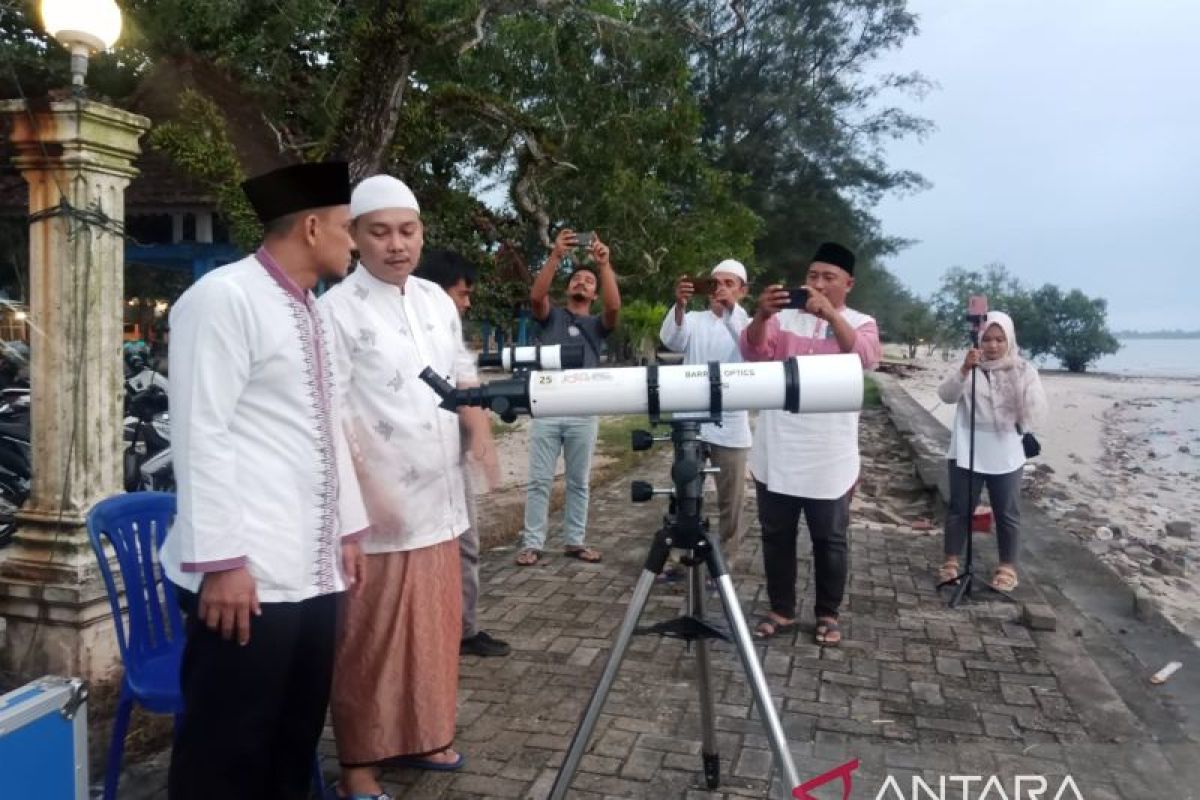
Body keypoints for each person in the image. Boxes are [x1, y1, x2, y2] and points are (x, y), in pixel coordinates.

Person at [160, 161, 369, 800]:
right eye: (347, 229)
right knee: (226, 753)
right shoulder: (223, 298)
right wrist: (222, 562)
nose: (354, 244)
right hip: (245, 577)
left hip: (310, 571)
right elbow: (201, 431)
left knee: (292, 740)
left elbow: (331, 425)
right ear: (311, 227)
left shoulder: (314, 311)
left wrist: (350, 527)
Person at [321, 176, 498, 799]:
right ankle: (358, 767)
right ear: (355, 236)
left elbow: (462, 372)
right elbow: (334, 415)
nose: (397, 244)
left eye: (408, 230)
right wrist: (360, 497)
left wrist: (479, 431)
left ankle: (425, 733)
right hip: (380, 509)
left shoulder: (435, 301)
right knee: (368, 642)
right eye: (381, 231)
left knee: (435, 631)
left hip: (442, 498)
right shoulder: (336, 311)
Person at [739, 242, 881, 647]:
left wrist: (831, 314)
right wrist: (763, 314)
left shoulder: (861, 322)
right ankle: (781, 608)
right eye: (812, 275)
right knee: (776, 534)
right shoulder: (783, 320)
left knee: (830, 539)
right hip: (779, 445)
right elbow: (753, 351)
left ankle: (827, 612)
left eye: (828, 278)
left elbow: (867, 358)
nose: (816, 284)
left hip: (830, 453)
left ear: (848, 284)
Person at [415, 249, 512, 658]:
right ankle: (430, 631)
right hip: (416, 468)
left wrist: (481, 441)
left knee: (466, 546)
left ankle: (464, 629)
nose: (468, 303)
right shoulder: (413, 336)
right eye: (462, 293)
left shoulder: (448, 334)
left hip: (453, 460)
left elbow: (468, 390)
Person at [514, 228, 620, 566]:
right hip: (547, 406)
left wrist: (603, 265)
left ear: (594, 293)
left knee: (579, 482)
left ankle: (575, 541)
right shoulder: (552, 317)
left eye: (590, 282)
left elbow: (615, 307)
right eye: (578, 279)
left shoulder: (597, 325)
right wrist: (557, 255)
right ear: (567, 287)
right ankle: (532, 543)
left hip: (583, 411)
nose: (583, 283)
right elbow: (535, 297)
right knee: (538, 481)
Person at [936, 311, 1047, 591]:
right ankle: (951, 561)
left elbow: (1034, 411)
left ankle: (1007, 566)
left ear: (1009, 340)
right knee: (960, 508)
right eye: (987, 339)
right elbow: (946, 395)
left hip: (1006, 448)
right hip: (968, 446)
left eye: (999, 339)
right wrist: (964, 369)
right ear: (978, 340)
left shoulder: (1024, 369)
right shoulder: (970, 366)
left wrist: (1018, 388)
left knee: (1007, 510)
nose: (993, 346)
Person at [658, 259, 753, 575]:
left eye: (728, 283)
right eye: (714, 283)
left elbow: (750, 348)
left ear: (743, 290)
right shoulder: (694, 319)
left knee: (731, 498)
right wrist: (680, 305)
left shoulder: (748, 323)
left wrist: (729, 311)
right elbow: (671, 340)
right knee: (684, 491)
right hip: (692, 420)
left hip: (731, 424)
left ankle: (725, 558)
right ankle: (680, 555)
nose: (720, 289)